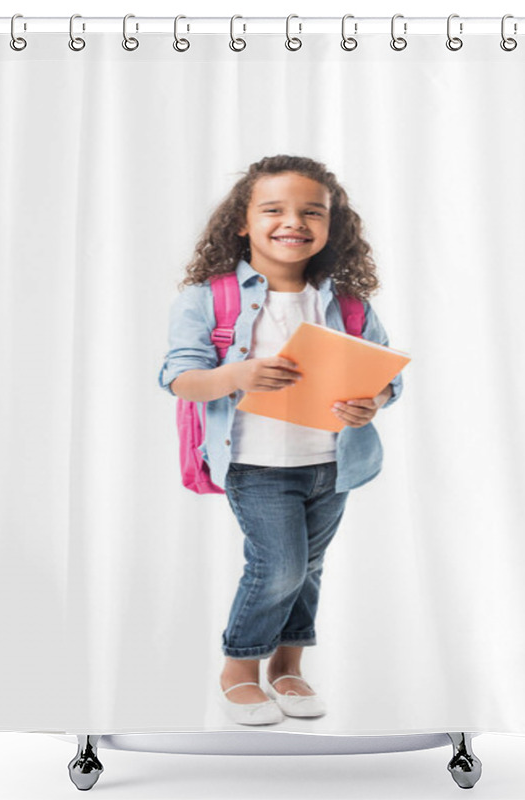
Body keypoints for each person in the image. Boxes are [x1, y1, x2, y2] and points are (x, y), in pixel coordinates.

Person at [158, 154, 403, 725]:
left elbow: (387, 377)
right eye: (273, 209)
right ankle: (239, 669)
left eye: (311, 212)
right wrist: (236, 376)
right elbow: (179, 377)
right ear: (242, 222)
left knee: (309, 569)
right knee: (281, 567)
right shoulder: (206, 299)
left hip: (333, 463)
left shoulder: (346, 304)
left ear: (330, 227)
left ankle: (287, 668)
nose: (293, 221)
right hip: (256, 463)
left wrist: (374, 401)